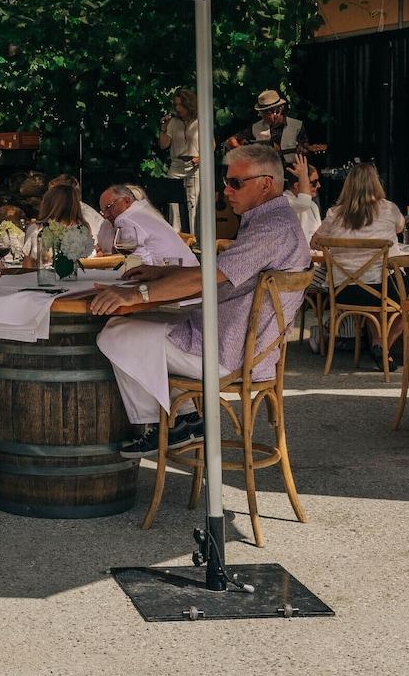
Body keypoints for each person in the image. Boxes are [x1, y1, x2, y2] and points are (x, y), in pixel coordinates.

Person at [90, 146, 310, 456]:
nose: (226, 190)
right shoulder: (269, 221)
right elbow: (217, 275)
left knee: (115, 332)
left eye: (236, 183)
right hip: (237, 344)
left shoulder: (272, 229)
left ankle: (155, 425)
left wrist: (136, 293)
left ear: (266, 184)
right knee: (141, 325)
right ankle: (186, 420)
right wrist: (163, 271)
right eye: (226, 180)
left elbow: (207, 278)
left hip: (229, 355)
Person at [308, 162, 404, 356]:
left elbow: (314, 242)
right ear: (376, 183)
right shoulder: (389, 209)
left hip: (343, 292)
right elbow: (400, 228)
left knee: (371, 289)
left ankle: (377, 343)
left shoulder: (334, 213)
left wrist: (336, 246)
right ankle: (384, 348)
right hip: (380, 289)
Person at [95, 184, 196, 266]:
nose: (106, 215)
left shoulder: (124, 219)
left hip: (175, 279)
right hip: (189, 271)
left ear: (126, 201)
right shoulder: (144, 209)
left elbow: (140, 263)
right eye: (103, 212)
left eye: (109, 207)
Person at [158, 88, 202, 226]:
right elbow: (163, 145)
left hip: (194, 167)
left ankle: (197, 241)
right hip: (176, 166)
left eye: (181, 105)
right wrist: (164, 128)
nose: (178, 108)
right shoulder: (173, 122)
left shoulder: (200, 121)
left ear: (189, 104)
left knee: (194, 204)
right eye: (176, 104)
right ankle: (175, 240)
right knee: (173, 205)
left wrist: (201, 158)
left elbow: (211, 145)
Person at [223, 89, 305, 158]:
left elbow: (305, 147)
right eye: (261, 113)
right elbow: (230, 141)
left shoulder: (297, 126)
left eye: (266, 113)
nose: (263, 117)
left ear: (278, 110)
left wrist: (302, 150)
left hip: (290, 172)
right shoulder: (255, 127)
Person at [285, 155, 323, 242]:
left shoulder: (313, 206)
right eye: (314, 182)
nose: (319, 185)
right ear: (297, 186)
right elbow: (303, 204)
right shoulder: (284, 202)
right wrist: (303, 176)